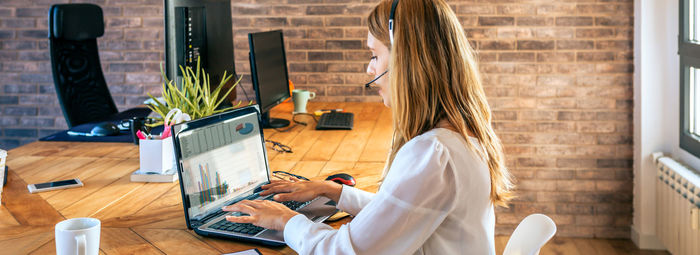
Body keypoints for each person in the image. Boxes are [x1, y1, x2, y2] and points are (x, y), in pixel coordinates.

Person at [222, 0, 514, 254]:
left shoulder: (433, 154)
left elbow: (344, 252)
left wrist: (285, 220)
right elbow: (402, 212)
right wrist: (334, 192)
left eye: (375, 56)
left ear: (404, 60)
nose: (370, 69)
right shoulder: (459, 136)